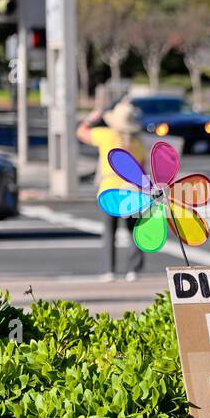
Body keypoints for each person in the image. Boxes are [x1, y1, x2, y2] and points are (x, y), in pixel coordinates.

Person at [77, 99, 148, 282]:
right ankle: (134, 270)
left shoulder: (107, 135)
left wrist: (90, 119)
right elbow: (142, 170)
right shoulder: (139, 144)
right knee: (135, 230)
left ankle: (109, 270)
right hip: (133, 189)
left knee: (109, 231)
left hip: (109, 189)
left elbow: (81, 133)